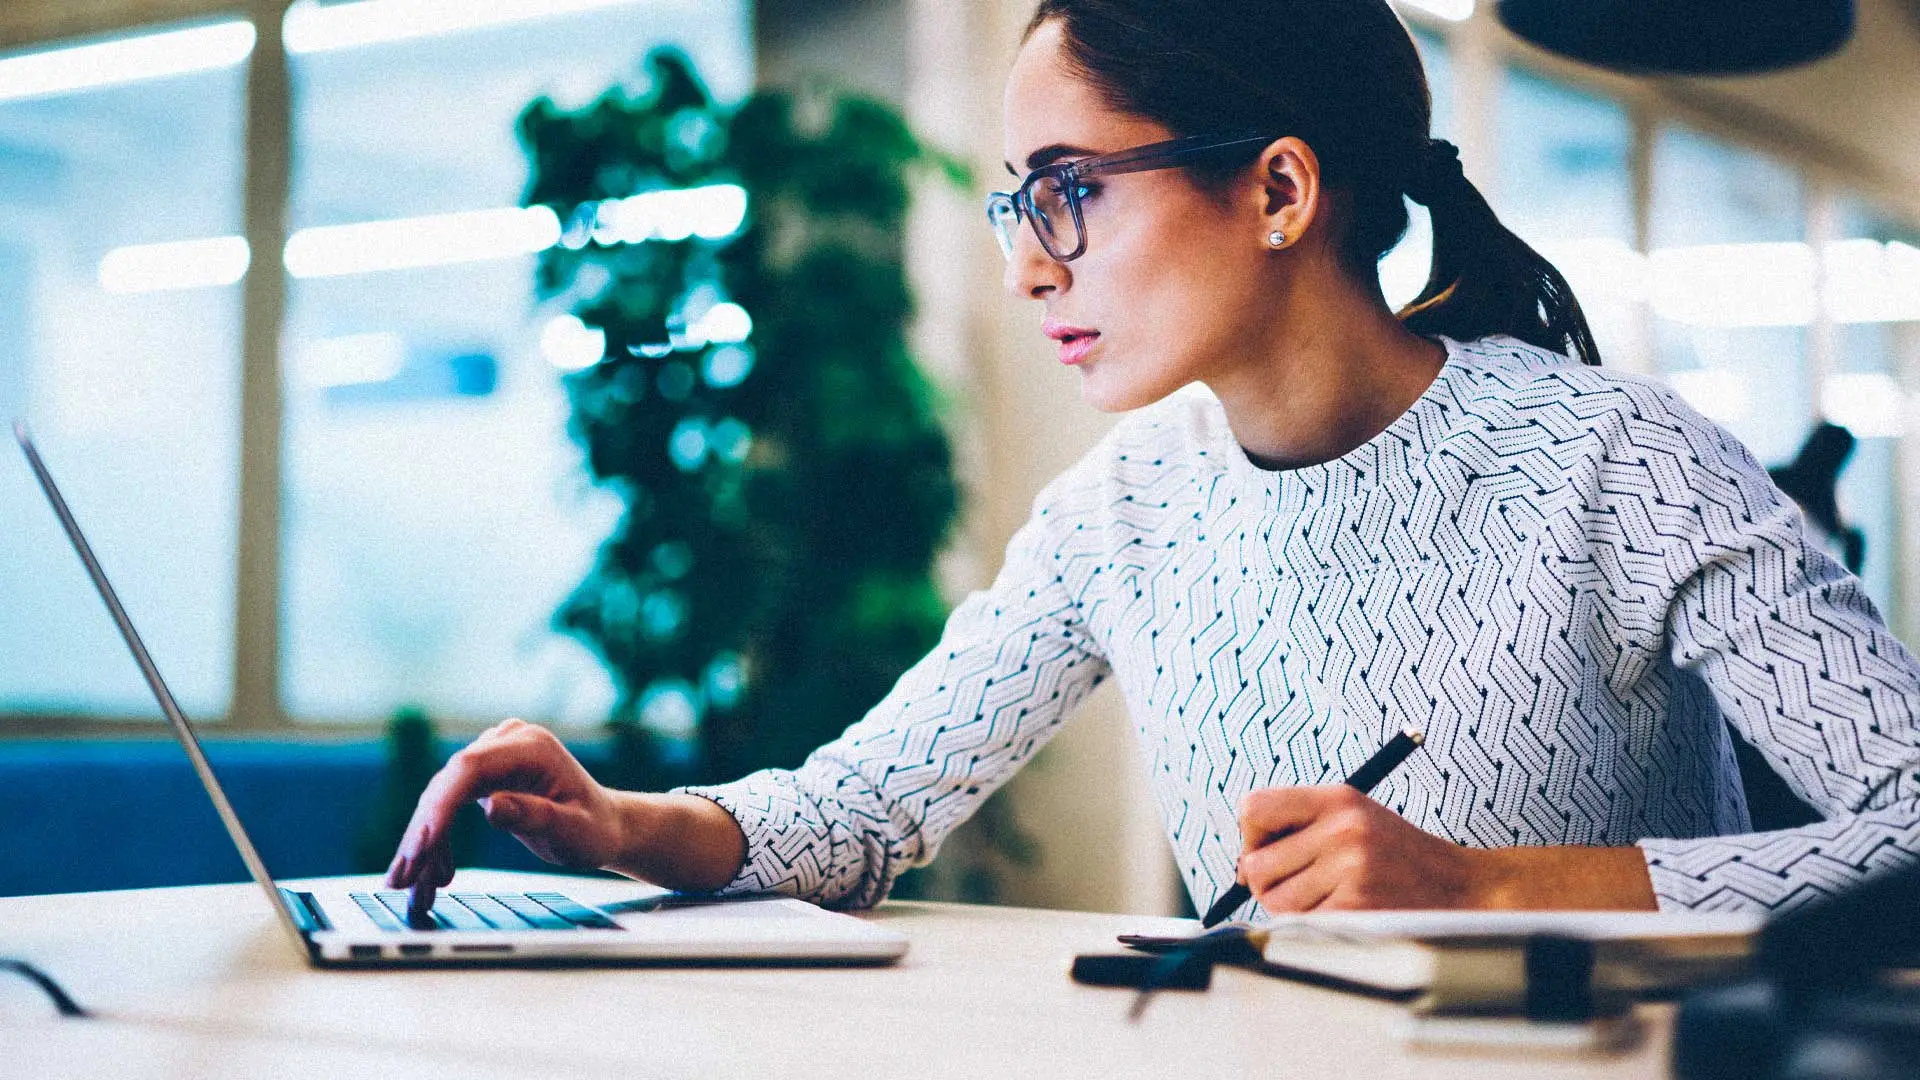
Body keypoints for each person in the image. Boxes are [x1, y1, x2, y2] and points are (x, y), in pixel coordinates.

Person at [388, 0, 1920, 920]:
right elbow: (866, 806)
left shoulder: (1622, 463)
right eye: (1016, 203)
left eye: (1071, 191)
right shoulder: (1121, 512)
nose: (1029, 265)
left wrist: (1489, 889)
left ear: (1277, 189)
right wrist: (624, 824)